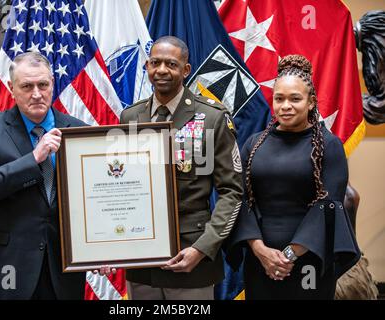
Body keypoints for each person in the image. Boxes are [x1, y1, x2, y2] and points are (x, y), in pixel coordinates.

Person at [224, 55, 360, 299]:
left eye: (295, 98)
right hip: (260, 262)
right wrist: (260, 250)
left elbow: (328, 206)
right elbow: (240, 200)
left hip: (310, 260)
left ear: (311, 102)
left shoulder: (329, 146)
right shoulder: (253, 144)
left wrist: (289, 255)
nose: (285, 105)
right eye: (279, 98)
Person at [119, 36, 244, 300]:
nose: (162, 70)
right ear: (147, 66)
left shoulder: (211, 117)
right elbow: (122, 186)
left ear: (185, 70)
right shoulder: (130, 117)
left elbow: (232, 192)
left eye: (171, 64)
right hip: (141, 259)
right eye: (155, 63)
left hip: (191, 257)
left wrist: (203, 248)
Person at [0, 52, 87, 299]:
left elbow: (91, 199)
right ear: (11, 88)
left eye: (43, 85)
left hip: (62, 271)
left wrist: (101, 248)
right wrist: (33, 159)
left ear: (52, 83)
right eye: (27, 86)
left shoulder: (78, 130)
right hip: (8, 267)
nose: (36, 93)